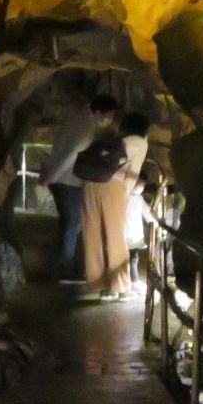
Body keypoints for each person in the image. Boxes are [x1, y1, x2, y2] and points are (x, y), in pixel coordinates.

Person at [40, 93, 118, 280]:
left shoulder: (78, 117)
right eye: (110, 115)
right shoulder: (87, 129)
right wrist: (50, 178)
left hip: (63, 180)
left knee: (70, 223)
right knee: (71, 223)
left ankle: (63, 264)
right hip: (67, 181)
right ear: (98, 113)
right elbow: (69, 156)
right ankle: (63, 267)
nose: (111, 119)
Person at [80, 111, 149, 299]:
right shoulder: (140, 142)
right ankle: (118, 286)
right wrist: (124, 195)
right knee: (115, 236)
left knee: (93, 234)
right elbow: (133, 173)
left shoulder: (111, 137)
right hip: (112, 186)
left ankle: (98, 283)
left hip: (90, 183)